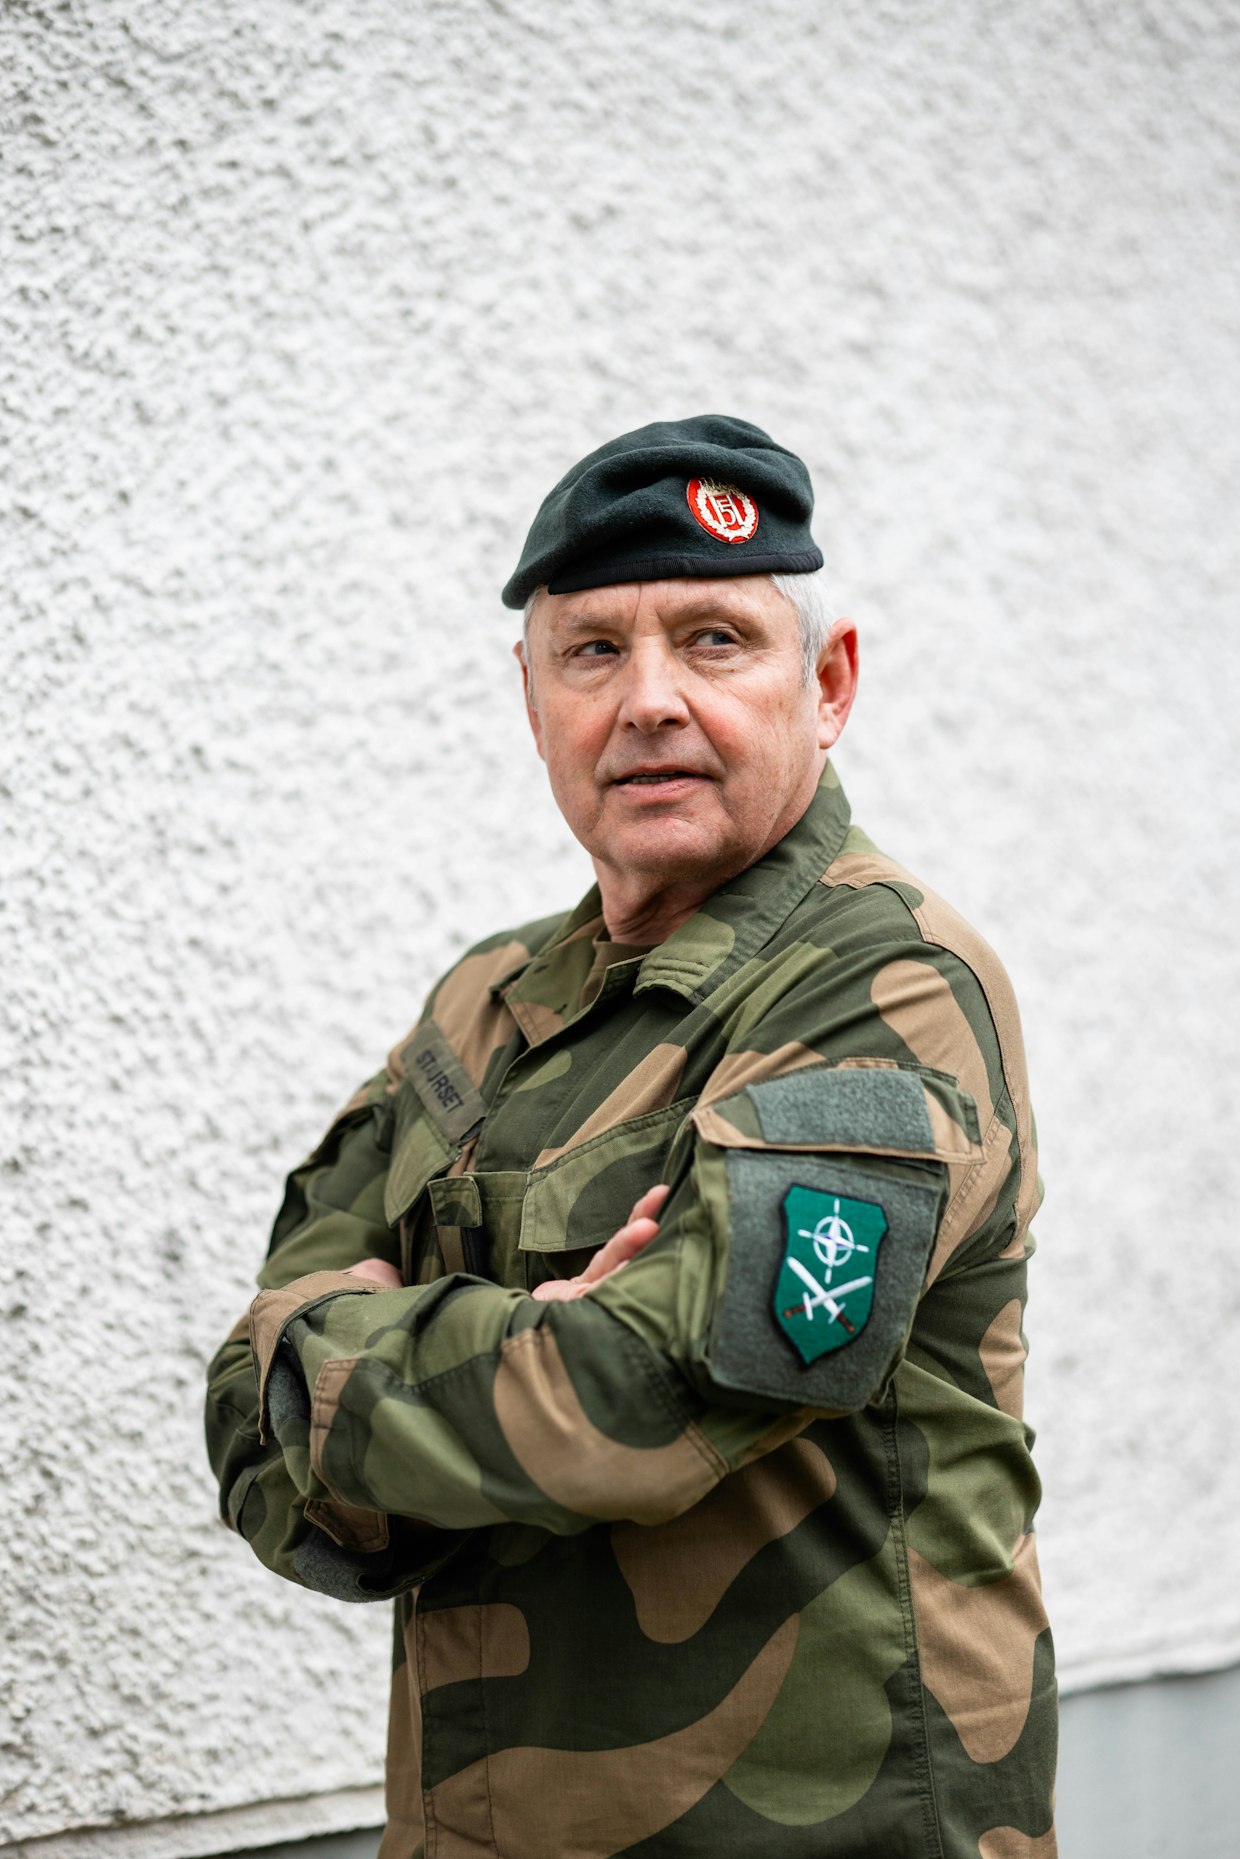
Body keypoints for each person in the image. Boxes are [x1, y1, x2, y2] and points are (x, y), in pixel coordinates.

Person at [206, 415, 1057, 1859]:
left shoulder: (887, 988)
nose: (650, 701)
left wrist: (358, 1364)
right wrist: (502, 1356)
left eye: (715, 641)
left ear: (829, 685)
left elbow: (644, 1405)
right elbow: (248, 1406)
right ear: (531, 699)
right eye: (593, 651)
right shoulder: (483, 1007)